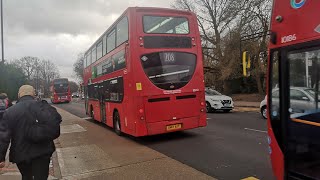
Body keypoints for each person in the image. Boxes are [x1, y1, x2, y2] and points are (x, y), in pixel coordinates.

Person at [0, 85, 62, 180]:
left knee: (26, 176)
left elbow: (3, 137)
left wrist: (1, 157)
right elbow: (54, 123)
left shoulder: (10, 112)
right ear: (33, 94)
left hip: (21, 154)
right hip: (43, 152)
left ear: (19, 95)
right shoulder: (43, 107)